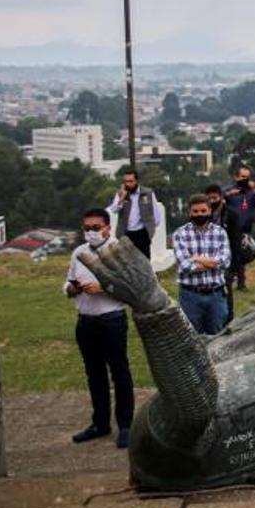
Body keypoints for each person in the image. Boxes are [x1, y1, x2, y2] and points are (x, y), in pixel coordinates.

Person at [64, 208, 134, 448]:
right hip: (86, 320)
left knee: (119, 372)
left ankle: (126, 424)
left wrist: (103, 289)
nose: (90, 233)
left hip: (111, 320)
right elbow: (69, 281)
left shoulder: (119, 252)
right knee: (94, 374)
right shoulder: (79, 253)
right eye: (86, 228)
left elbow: (132, 288)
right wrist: (71, 289)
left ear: (107, 228)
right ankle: (100, 423)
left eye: (95, 228)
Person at [173, 193, 232, 336]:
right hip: (191, 296)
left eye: (203, 211)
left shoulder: (220, 233)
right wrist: (212, 262)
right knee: (192, 340)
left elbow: (225, 261)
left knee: (218, 338)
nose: (200, 214)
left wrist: (196, 258)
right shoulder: (180, 234)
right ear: (190, 212)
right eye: (196, 212)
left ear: (210, 211)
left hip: (216, 295)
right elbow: (185, 266)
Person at [223, 165, 255, 294]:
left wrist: (254, 190)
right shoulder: (229, 191)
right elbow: (217, 200)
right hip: (230, 228)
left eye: (247, 178)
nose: (244, 180)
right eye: (242, 177)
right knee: (233, 255)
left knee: (246, 254)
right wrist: (228, 195)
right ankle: (235, 280)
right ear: (236, 177)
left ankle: (238, 280)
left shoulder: (251, 193)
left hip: (245, 228)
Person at [107, 168, 162, 261]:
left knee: (144, 261)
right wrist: (122, 198)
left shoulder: (147, 193)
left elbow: (156, 214)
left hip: (142, 233)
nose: (128, 184)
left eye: (130, 181)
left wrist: (150, 231)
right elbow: (114, 210)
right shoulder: (121, 194)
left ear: (136, 181)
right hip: (125, 234)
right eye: (126, 181)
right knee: (127, 262)